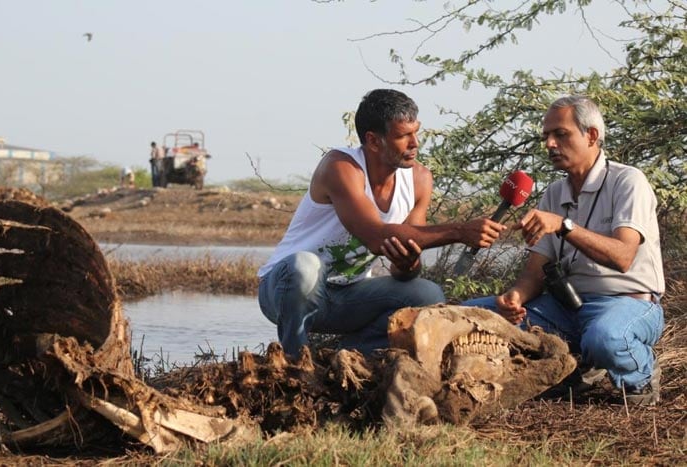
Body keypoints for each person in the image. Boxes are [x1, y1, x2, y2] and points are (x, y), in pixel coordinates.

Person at [258, 89, 506, 358]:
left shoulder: (419, 180)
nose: (415, 143)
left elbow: (406, 269)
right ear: (373, 141)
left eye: (416, 132)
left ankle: (348, 355)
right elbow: (375, 236)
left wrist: (407, 263)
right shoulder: (341, 166)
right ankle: (297, 364)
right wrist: (460, 231)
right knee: (304, 266)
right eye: (402, 136)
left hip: (347, 296)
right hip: (286, 292)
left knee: (427, 294)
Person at [464, 95, 665, 405]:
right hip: (568, 308)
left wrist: (564, 225)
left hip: (627, 304)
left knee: (605, 338)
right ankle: (575, 369)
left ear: (592, 135)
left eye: (561, 134)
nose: (550, 144)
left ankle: (640, 375)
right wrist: (515, 298)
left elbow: (623, 257)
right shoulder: (554, 193)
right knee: (472, 315)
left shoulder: (629, 181)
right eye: (546, 136)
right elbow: (534, 273)